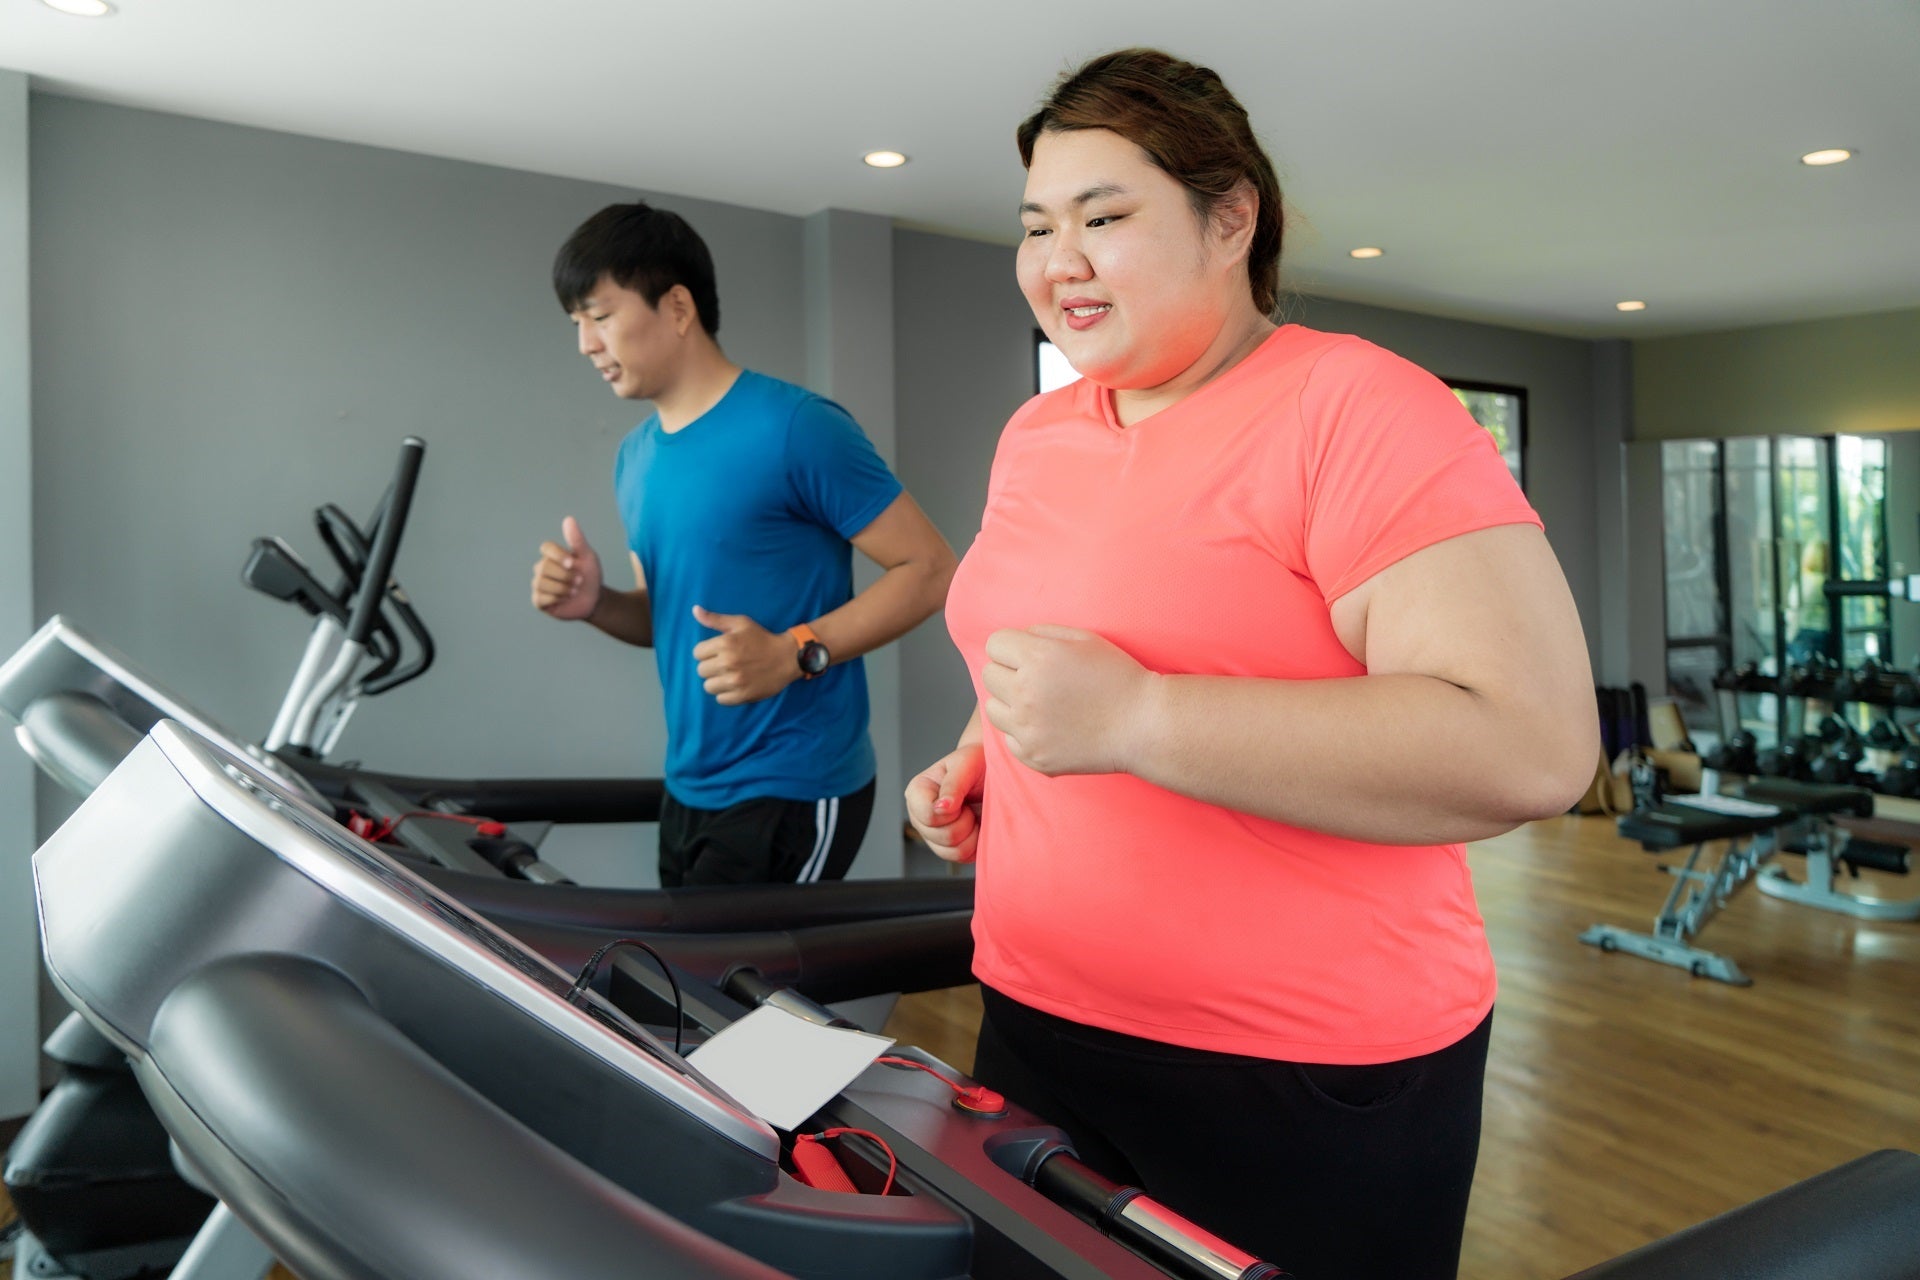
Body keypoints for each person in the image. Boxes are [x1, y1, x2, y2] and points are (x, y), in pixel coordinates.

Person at [905, 49, 1596, 1280]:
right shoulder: (1038, 433)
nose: (1059, 259)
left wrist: (1139, 717)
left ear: (1231, 219)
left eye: (1102, 217)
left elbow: (1532, 744)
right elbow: (1042, 650)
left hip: (1302, 1069)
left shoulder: (1357, 408)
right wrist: (980, 755)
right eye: (1036, 226)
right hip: (1037, 1017)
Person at [535, 202, 956, 887]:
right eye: (575, 322)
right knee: (682, 964)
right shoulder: (635, 457)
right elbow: (666, 617)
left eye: (600, 315)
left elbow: (932, 569)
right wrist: (597, 603)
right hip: (690, 785)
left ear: (677, 307)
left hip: (795, 782)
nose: (585, 343)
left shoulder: (797, 427)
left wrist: (795, 652)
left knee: (735, 965)